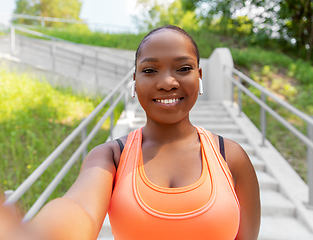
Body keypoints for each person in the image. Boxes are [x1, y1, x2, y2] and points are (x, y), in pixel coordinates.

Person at [28, 25, 261, 240]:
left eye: (183, 68)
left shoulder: (231, 157)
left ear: (199, 76)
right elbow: (78, 209)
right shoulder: (110, 158)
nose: (168, 82)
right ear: (135, 81)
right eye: (150, 70)